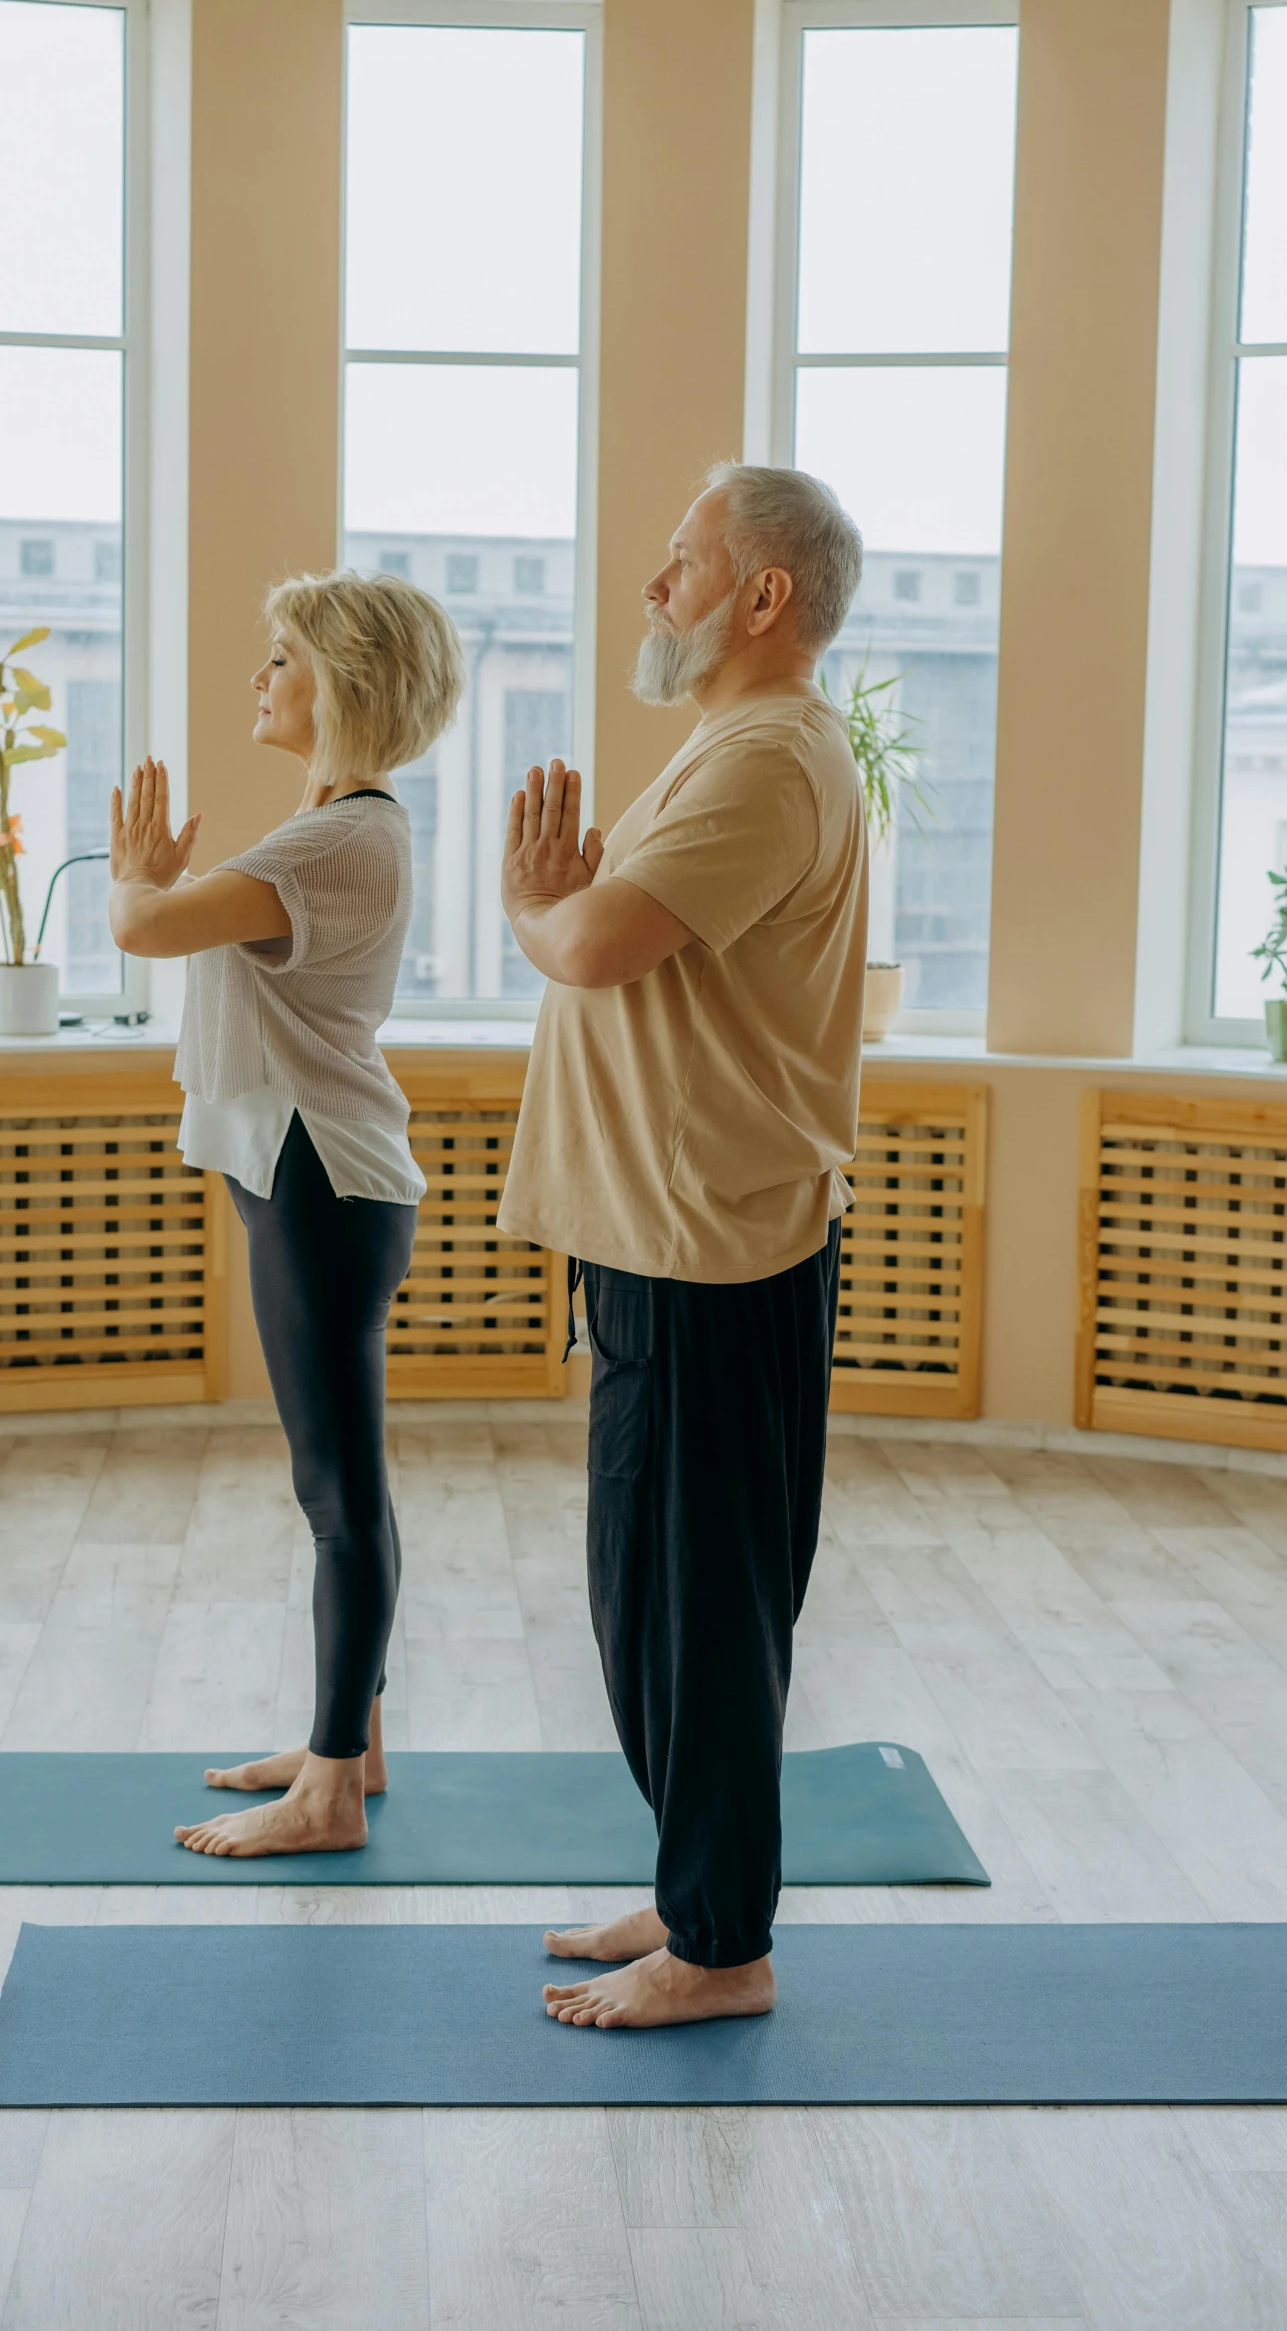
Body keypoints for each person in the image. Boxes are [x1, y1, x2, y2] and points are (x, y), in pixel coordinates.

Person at [497, 462, 867, 2027]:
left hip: (708, 1247)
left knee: (698, 1609)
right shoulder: (730, 743)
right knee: (651, 1597)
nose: (653, 585)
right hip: (669, 1238)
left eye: (679, 560)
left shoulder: (767, 757)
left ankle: (723, 1945)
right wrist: (565, 906)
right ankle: (688, 1880)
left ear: (762, 595)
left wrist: (530, 903)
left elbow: (588, 938)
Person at [108, 569, 464, 1857]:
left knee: (337, 1491)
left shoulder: (339, 838)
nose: (260, 676)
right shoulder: (336, 826)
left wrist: (139, 875)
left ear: (346, 685)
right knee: (341, 1485)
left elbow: (147, 927)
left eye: (282, 657)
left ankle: (327, 1787)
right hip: (302, 1168)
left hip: (323, 1175)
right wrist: (155, 885)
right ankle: (350, 1744)